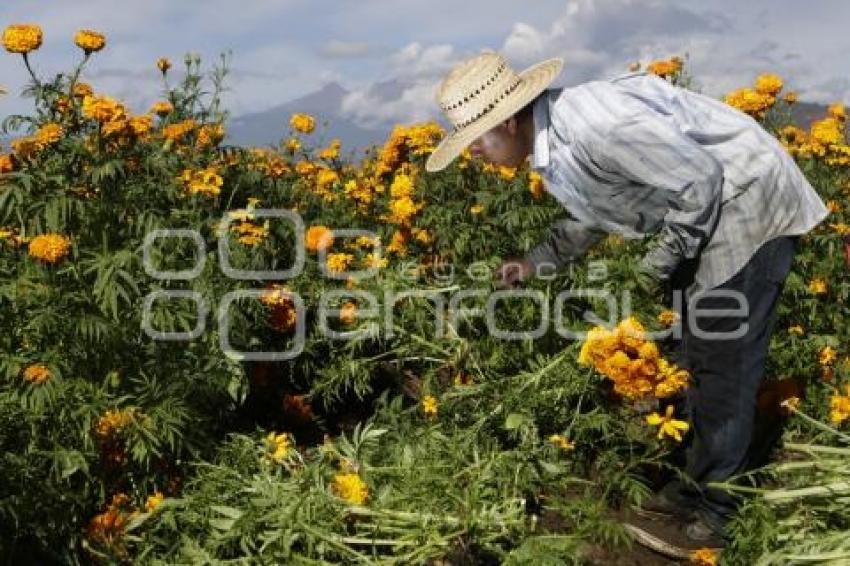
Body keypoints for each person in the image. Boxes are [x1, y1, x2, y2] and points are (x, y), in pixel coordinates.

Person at [425, 50, 829, 551]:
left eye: (476, 139)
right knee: (691, 356)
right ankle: (697, 483)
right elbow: (597, 213)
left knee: (722, 363)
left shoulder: (596, 127)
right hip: (706, 210)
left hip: (745, 202)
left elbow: (700, 178)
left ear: (507, 122)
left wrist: (658, 262)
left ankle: (720, 517)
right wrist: (535, 261)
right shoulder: (556, 145)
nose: (474, 153)